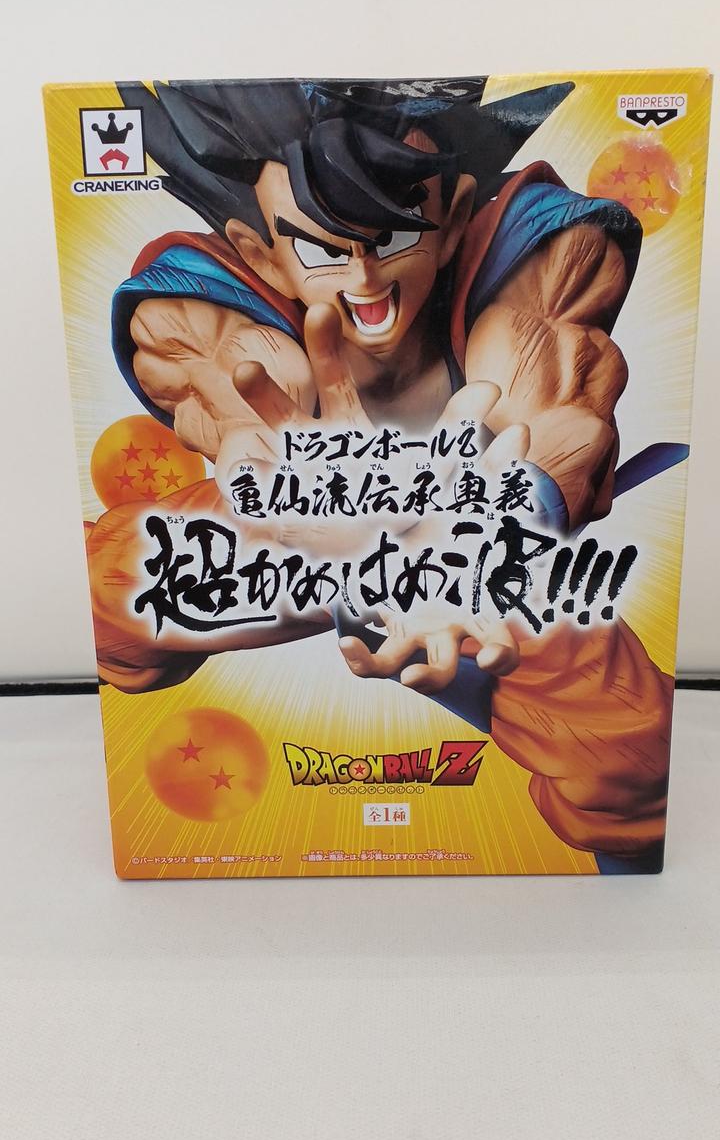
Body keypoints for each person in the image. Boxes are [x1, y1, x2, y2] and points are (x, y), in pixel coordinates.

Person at [87, 78, 677, 867]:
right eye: (323, 251)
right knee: (113, 589)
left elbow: (543, 411)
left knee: (630, 757)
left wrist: (462, 544)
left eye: (393, 238)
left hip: (487, 541)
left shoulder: (534, 262)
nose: (364, 282)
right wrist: (290, 487)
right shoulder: (212, 316)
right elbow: (236, 389)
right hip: (300, 536)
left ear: (454, 218)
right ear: (261, 254)